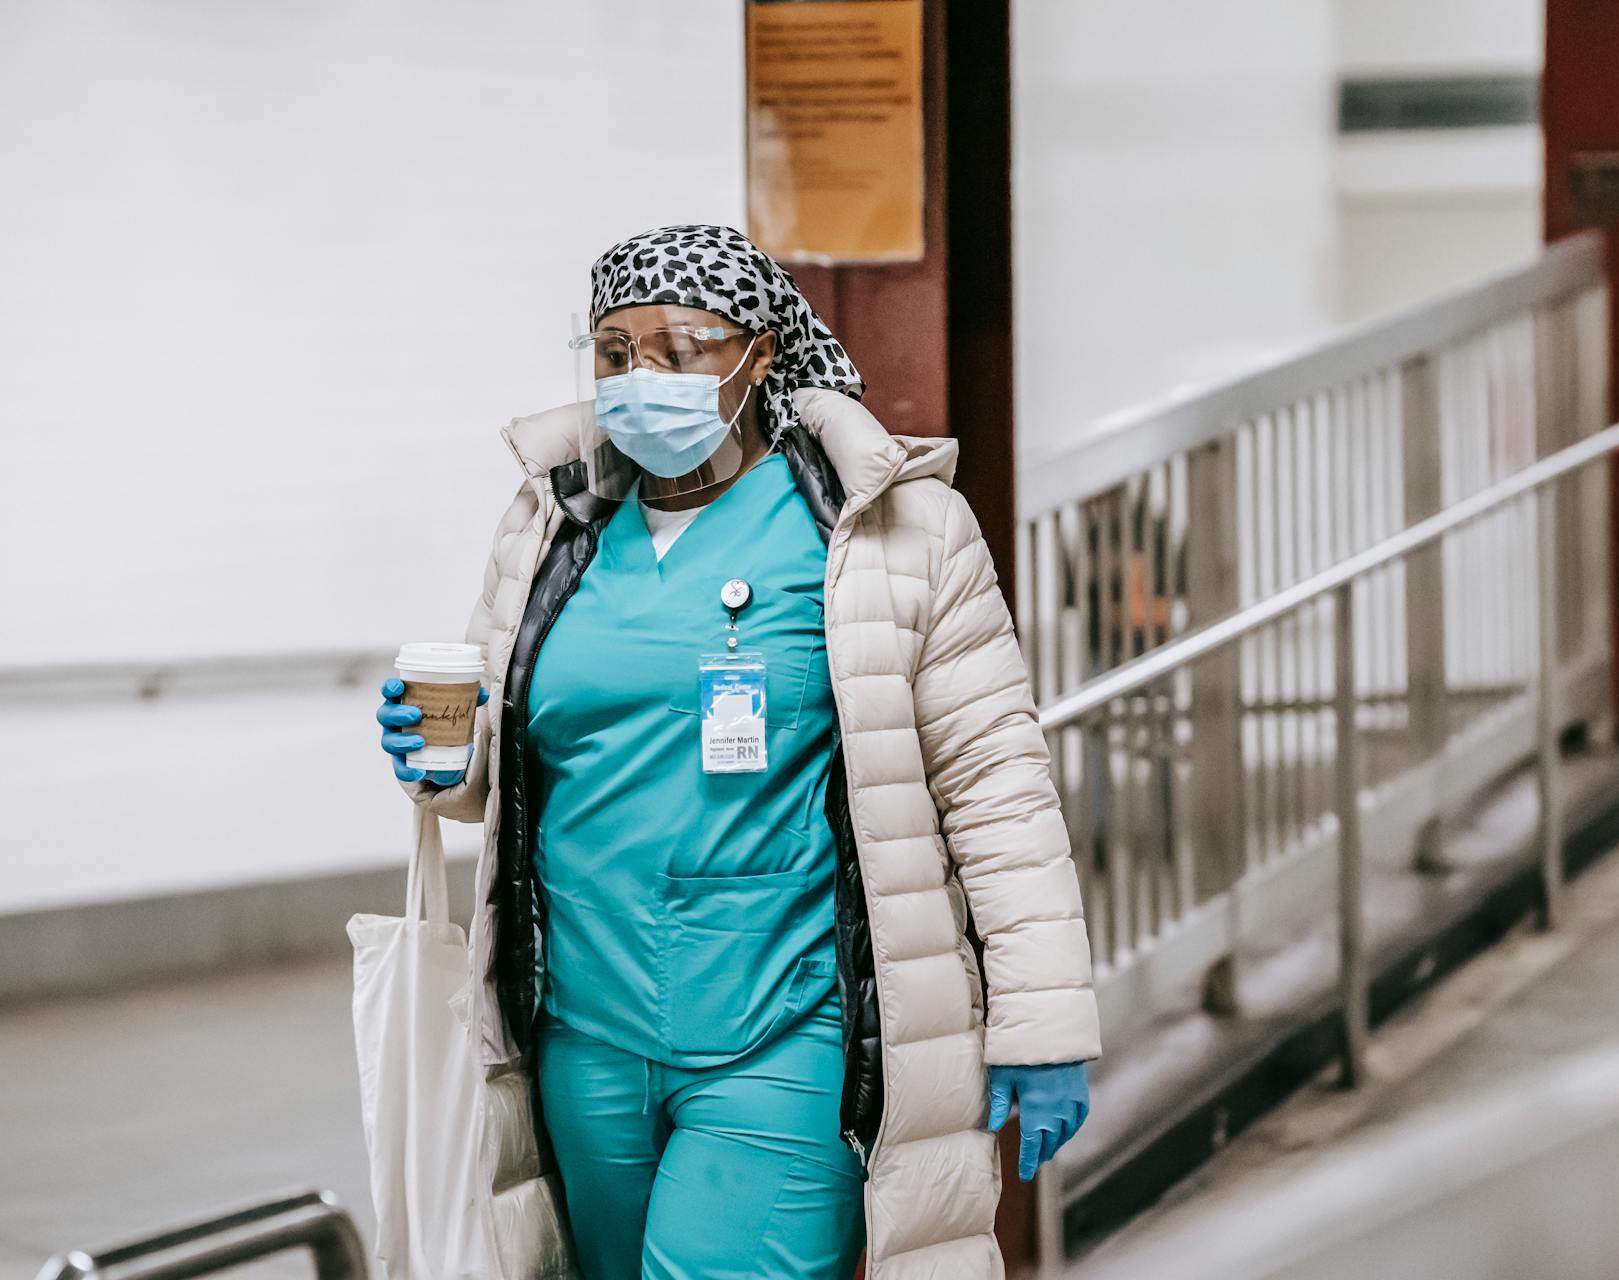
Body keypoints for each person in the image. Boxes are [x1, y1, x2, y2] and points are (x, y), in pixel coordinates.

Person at [374, 224, 1101, 1280]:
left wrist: (1041, 1014)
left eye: (679, 346)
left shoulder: (890, 530)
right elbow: (500, 766)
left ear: (760, 354)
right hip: (585, 1035)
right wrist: (440, 761)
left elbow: (995, 781)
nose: (640, 378)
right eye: (615, 353)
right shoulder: (551, 525)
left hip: (784, 1033)